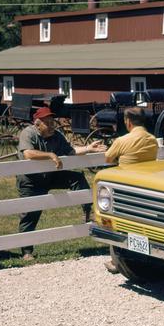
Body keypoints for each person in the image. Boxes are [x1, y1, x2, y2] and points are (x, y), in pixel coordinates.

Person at [17, 106, 107, 261]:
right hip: (31, 181)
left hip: (50, 176)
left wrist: (88, 148)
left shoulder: (56, 135)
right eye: (48, 123)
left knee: (77, 177)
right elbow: (27, 153)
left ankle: (87, 212)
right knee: (30, 214)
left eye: (53, 122)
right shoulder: (28, 133)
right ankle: (27, 251)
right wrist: (50, 155)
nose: (52, 125)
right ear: (38, 124)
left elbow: (70, 151)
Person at [103, 106, 159, 272]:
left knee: (117, 223)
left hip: (125, 187)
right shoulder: (152, 140)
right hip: (146, 185)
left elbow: (108, 158)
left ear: (128, 122)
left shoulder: (122, 141)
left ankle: (116, 261)